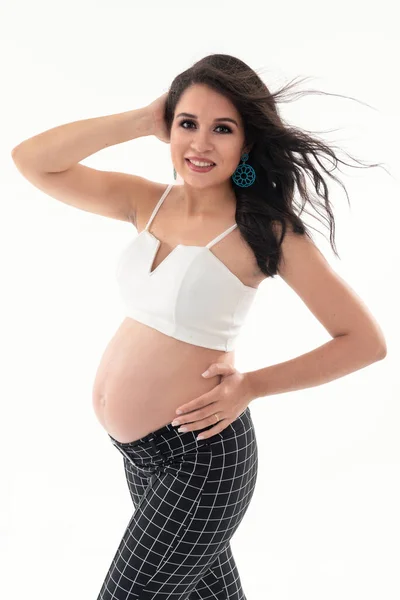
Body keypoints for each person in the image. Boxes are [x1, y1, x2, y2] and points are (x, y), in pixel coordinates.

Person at [11, 54, 387, 599]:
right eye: (188, 124)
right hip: (142, 458)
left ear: (247, 143)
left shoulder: (265, 230)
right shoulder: (146, 201)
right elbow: (32, 160)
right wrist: (140, 120)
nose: (201, 144)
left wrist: (252, 385)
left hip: (202, 460)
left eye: (223, 129)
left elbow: (365, 342)